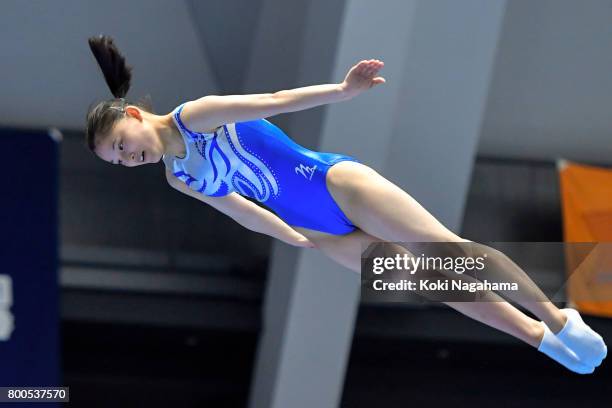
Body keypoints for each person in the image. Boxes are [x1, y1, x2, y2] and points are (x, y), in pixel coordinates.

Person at [85, 35, 606, 374]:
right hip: (321, 230)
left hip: (334, 183)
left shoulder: (196, 115)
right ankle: (541, 340)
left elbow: (275, 101)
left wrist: (342, 90)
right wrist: (298, 237)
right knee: (438, 285)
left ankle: (558, 319)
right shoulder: (180, 178)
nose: (129, 158)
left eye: (122, 144)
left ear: (133, 114)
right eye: (119, 162)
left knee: (447, 253)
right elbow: (243, 210)